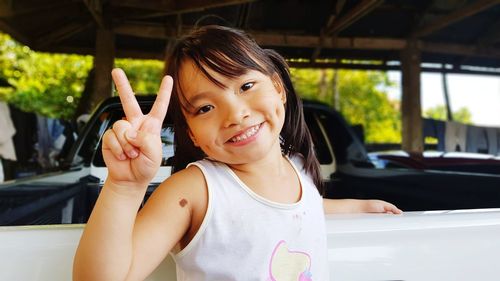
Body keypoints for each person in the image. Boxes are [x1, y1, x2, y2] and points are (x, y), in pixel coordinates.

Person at [73, 25, 401, 281]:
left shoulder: (297, 168)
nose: (234, 115)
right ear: (190, 134)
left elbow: (297, 210)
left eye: (245, 87)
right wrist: (125, 187)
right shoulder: (194, 190)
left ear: (278, 88)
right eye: (204, 108)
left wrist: (360, 206)